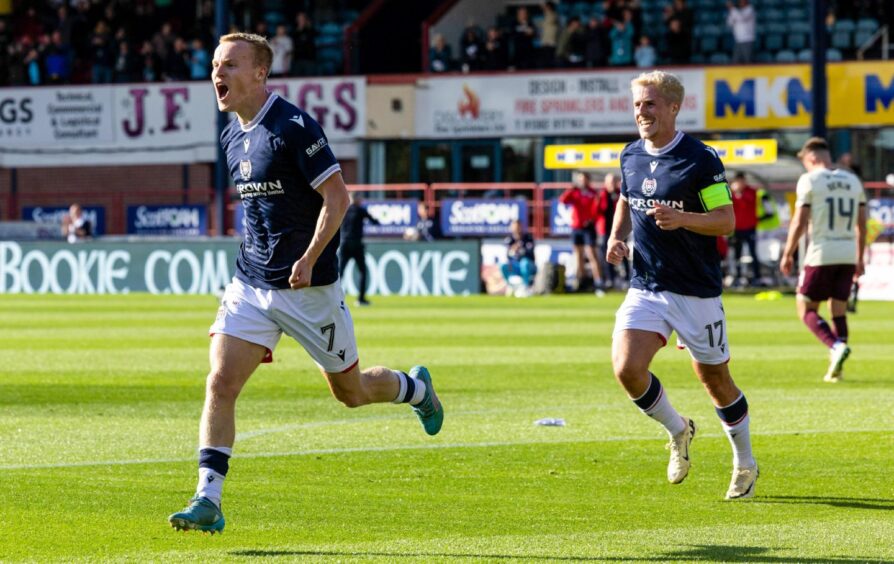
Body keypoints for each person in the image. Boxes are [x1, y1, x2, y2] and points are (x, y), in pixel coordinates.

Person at [168, 33, 444, 534]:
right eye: (214, 65)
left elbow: (337, 199)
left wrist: (309, 258)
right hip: (250, 284)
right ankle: (207, 498)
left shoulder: (293, 126)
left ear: (259, 73)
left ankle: (416, 389)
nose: (218, 74)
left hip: (309, 290)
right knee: (220, 382)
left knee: (352, 393)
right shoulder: (231, 133)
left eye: (230, 65)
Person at [605, 70, 757, 500]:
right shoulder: (630, 154)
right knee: (626, 368)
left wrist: (683, 218)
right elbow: (625, 197)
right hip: (647, 284)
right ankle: (678, 430)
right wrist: (617, 237)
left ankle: (745, 462)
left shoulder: (699, 159)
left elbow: (726, 221)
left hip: (696, 291)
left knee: (716, 380)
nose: (641, 111)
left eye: (650, 104)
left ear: (673, 107)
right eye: (637, 104)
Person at [780, 137, 866, 383]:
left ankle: (835, 347)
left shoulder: (809, 180)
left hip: (821, 253)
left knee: (805, 307)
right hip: (848, 253)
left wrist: (788, 253)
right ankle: (836, 366)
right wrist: (860, 258)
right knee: (838, 309)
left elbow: (799, 220)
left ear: (813, 158)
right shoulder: (852, 180)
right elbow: (861, 224)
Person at [559, 171, 604, 293]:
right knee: (578, 256)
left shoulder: (593, 193)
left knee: (591, 255)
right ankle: (581, 282)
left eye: (584, 179)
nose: (582, 182)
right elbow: (563, 200)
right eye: (580, 179)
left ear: (588, 180)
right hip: (576, 228)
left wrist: (591, 220)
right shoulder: (575, 192)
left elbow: (597, 209)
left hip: (588, 228)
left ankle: (599, 283)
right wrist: (570, 189)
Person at [339, 192, 379, 306]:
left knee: (339, 272)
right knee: (362, 271)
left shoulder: (344, 210)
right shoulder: (360, 210)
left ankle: (335, 298)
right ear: (356, 199)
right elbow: (374, 221)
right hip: (356, 244)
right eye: (360, 198)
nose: (361, 200)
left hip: (344, 243)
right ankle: (361, 299)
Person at [596, 173, 627, 288]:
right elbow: (596, 211)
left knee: (623, 253)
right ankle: (610, 278)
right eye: (609, 182)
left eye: (613, 182)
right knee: (607, 255)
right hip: (605, 230)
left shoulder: (621, 194)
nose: (611, 184)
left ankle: (625, 278)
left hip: (620, 230)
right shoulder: (602, 194)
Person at [728, 172, 760, 286]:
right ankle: (737, 276)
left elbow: (746, 202)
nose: (740, 183)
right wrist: (734, 192)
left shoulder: (752, 191)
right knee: (736, 254)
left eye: (742, 181)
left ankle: (756, 278)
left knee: (753, 253)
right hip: (736, 229)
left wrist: (738, 193)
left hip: (750, 228)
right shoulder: (730, 193)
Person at [500, 219, 537, 297]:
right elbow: (508, 254)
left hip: (528, 265)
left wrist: (520, 249)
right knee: (503, 265)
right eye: (514, 227)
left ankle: (525, 287)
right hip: (515, 265)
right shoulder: (509, 239)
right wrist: (513, 250)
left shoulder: (528, 237)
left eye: (517, 227)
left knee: (524, 263)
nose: (516, 229)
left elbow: (529, 251)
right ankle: (510, 286)